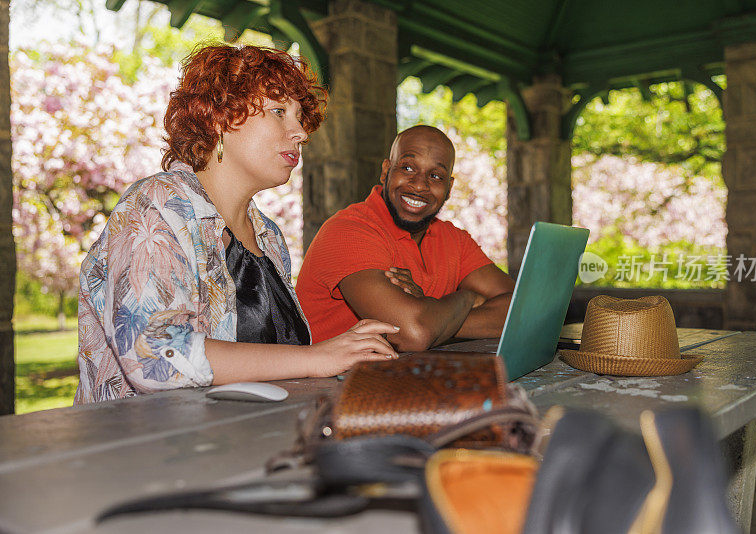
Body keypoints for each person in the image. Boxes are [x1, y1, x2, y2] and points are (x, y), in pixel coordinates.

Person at [75, 44, 398, 404]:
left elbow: (273, 362)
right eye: (279, 112)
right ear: (219, 119)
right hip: (149, 452)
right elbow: (155, 358)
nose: (301, 133)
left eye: (300, 118)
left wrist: (339, 352)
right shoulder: (157, 205)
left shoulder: (268, 236)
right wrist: (317, 357)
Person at [296, 125, 514, 352]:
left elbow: (522, 309)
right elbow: (413, 333)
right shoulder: (349, 231)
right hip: (325, 383)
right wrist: (466, 298)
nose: (420, 185)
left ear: (449, 188)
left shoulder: (454, 239)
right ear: (386, 171)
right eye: (408, 168)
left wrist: (435, 318)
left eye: (435, 176)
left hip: (400, 378)